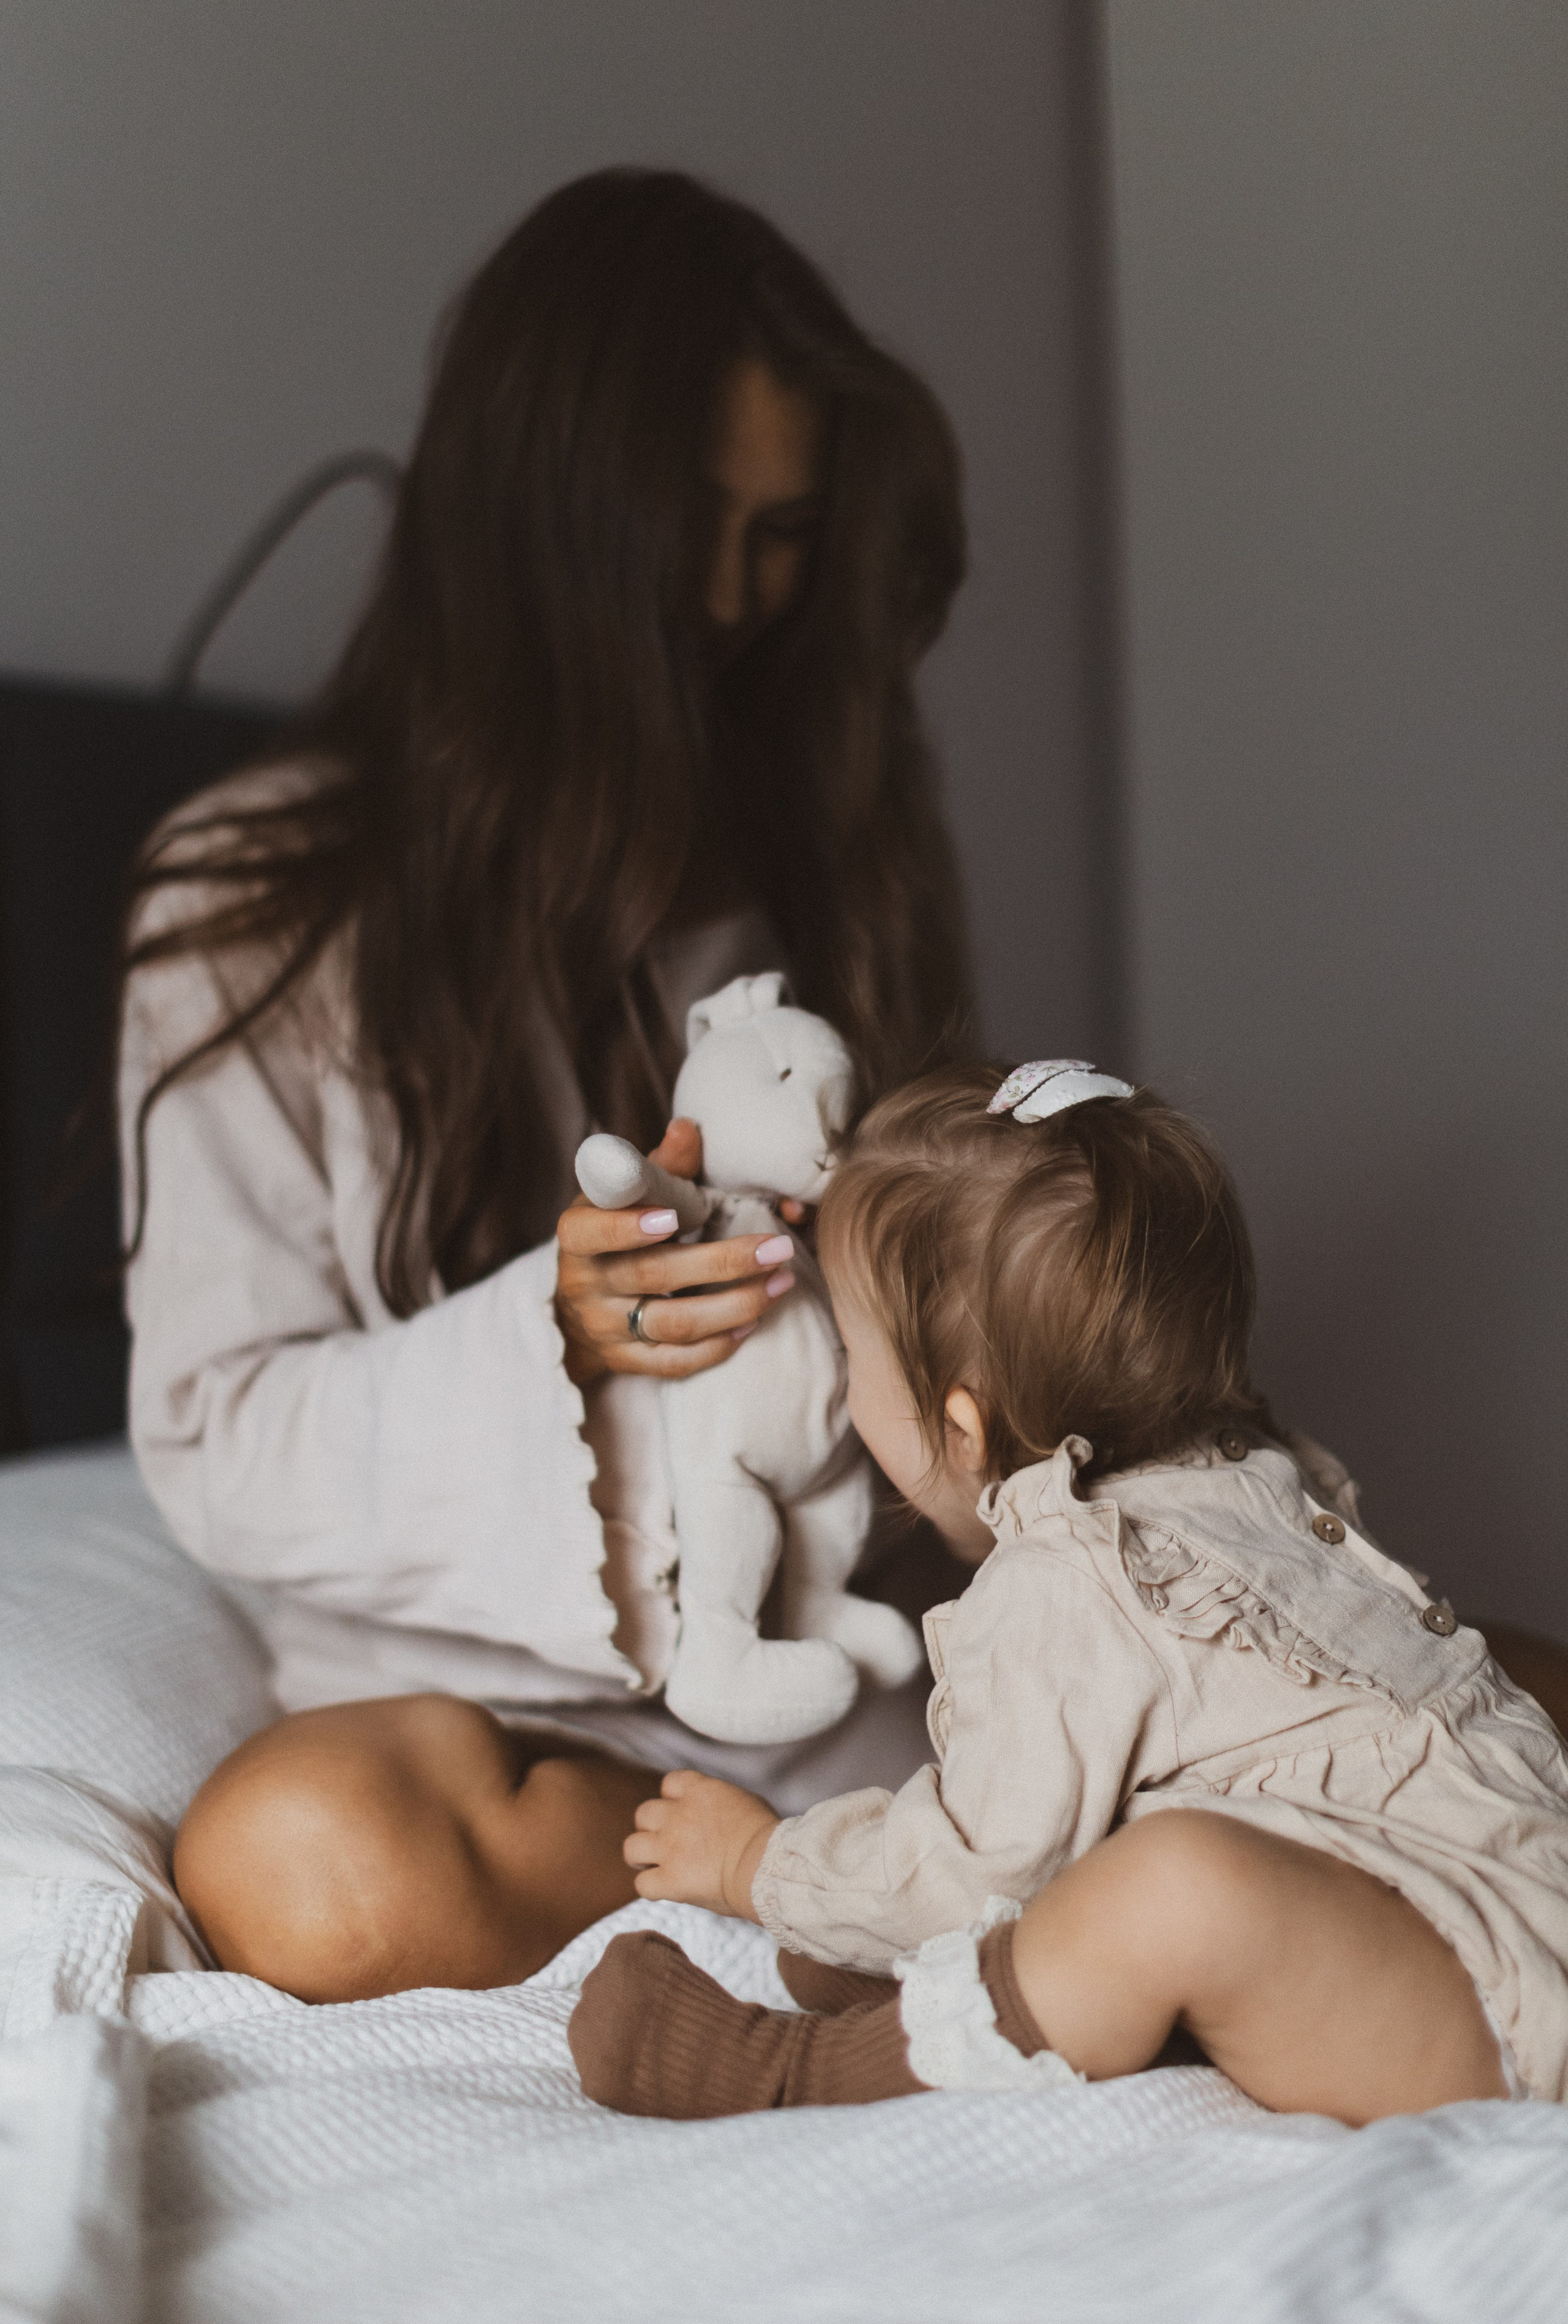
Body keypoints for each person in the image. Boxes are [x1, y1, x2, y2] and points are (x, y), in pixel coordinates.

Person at [122, 167, 974, 2001]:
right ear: (546, 520)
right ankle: (884, 1904)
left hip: (840, 1660)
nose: (740, 601)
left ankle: (902, 1878)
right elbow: (213, 1433)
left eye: (785, 535)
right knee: (302, 1855)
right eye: (695, 530)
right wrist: (563, 1334)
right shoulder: (252, 904)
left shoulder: (814, 861)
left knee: (1430, 1664)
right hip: (516, 1735)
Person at [568, 1062, 1568, 2121]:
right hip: (1514, 1907)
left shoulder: (1065, 1577)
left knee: (1179, 1888)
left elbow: (973, 1862)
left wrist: (758, 1865)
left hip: (1489, 2015)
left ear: (960, 1430)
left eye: (848, 1350)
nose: (838, 1377)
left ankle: (795, 2076)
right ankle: (967, 1978)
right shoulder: (1262, 1472)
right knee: (1150, 1856)